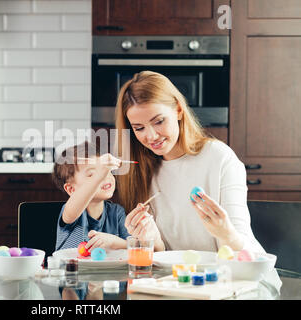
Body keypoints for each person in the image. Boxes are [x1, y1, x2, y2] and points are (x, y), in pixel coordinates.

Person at [115, 71, 281, 289]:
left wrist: (225, 232)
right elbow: (163, 260)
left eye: (159, 121)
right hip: (180, 286)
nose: (151, 136)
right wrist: (150, 240)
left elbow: (244, 248)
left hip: (238, 282)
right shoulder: (140, 171)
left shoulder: (220, 158)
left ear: (178, 110)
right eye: (139, 128)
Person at [52, 141, 153, 252]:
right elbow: (72, 209)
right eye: (92, 174)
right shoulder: (71, 211)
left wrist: (113, 241)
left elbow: (133, 246)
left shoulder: (116, 212)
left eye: (107, 171)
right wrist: (100, 173)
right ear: (71, 189)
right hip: (72, 269)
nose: (104, 176)